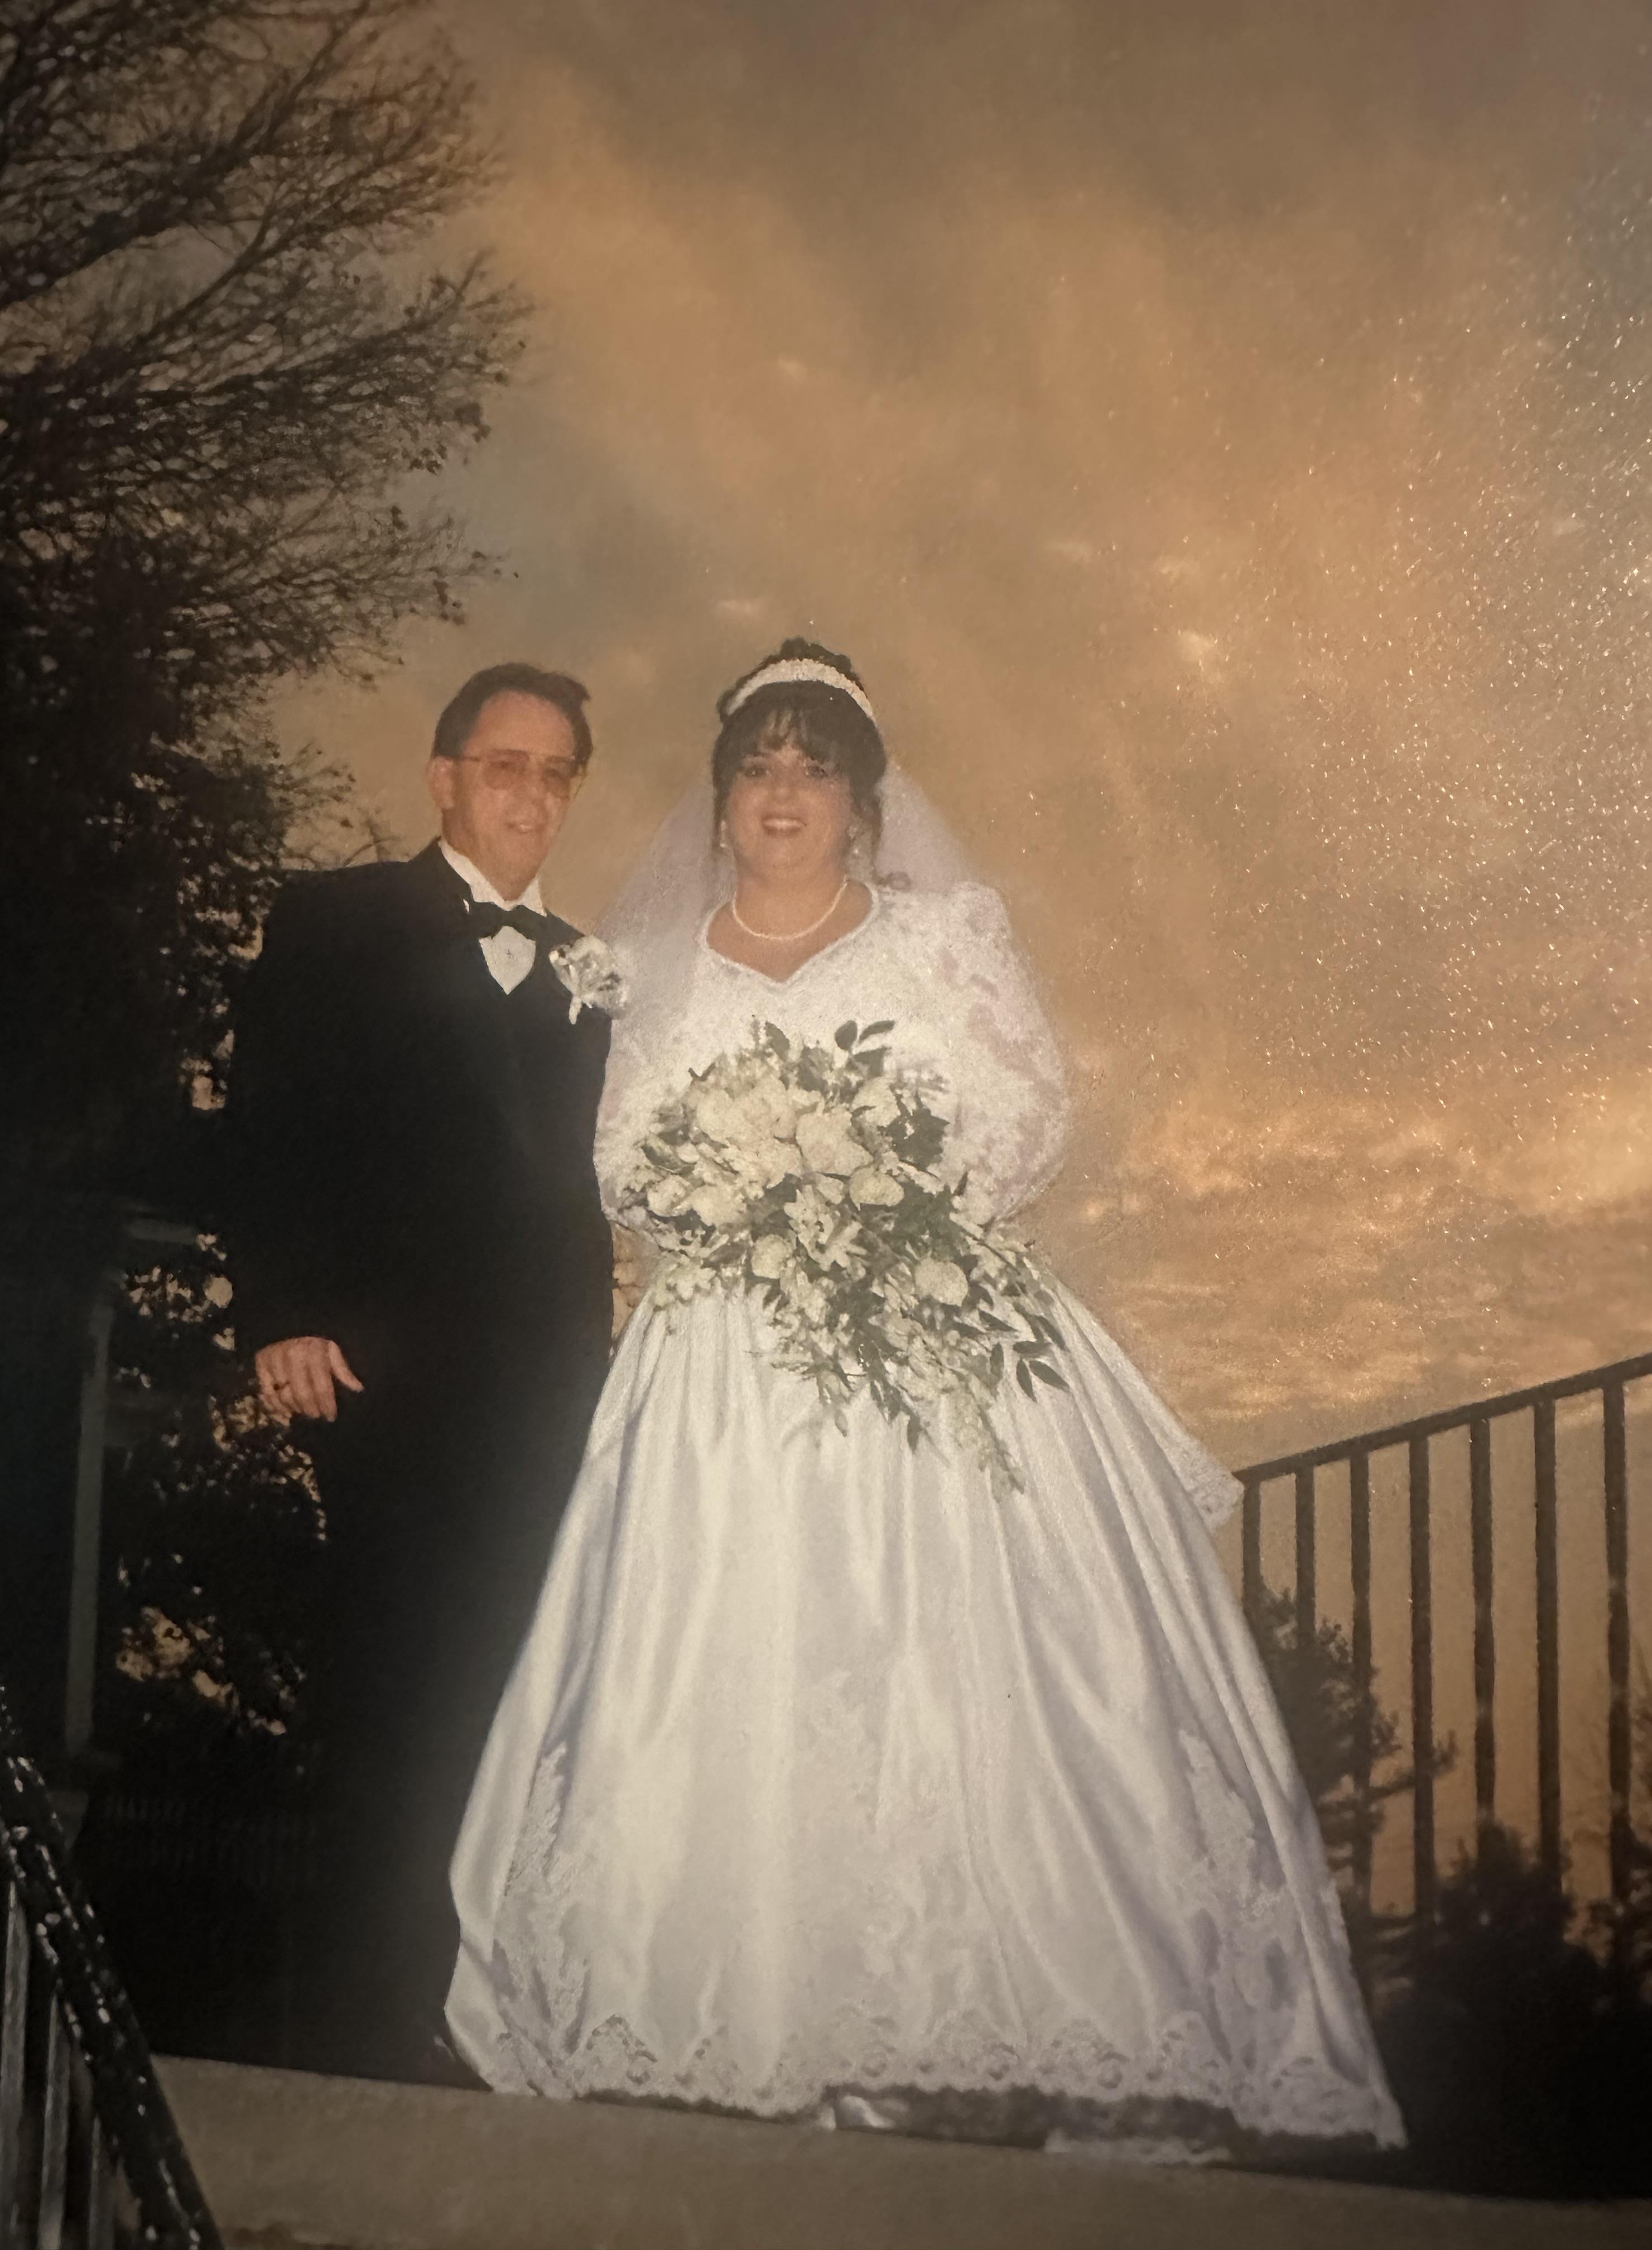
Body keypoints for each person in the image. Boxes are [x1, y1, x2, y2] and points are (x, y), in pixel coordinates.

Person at [445, 640, 1404, 2155]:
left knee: (962, 1686)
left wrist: (872, 1181)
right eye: (758, 763)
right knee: (737, 1684)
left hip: (928, 1348)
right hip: (721, 1390)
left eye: (815, 765)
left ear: (863, 801)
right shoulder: (647, 967)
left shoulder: (944, 937)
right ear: (719, 797)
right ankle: (757, 2030)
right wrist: (745, 1182)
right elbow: (620, 1157)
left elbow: (1032, 1111)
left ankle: (1003, 2030)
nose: (783, 792)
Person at [225, 661, 619, 2081]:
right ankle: (352, 2033)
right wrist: (277, 1309)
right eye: (503, 764)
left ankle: (469, 2022)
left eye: (555, 772)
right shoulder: (335, 922)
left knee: (515, 1699)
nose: (528, 793)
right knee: (388, 1689)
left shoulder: (597, 970)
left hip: (552, 1402)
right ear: (445, 777)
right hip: (381, 1380)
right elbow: (265, 1124)